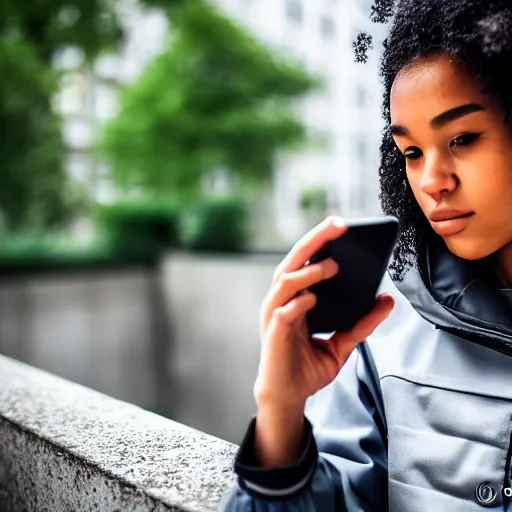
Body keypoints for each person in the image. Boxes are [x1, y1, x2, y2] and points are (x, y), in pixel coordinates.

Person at [219, 0, 512, 510]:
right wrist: (281, 412)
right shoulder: (385, 332)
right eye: (412, 152)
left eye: (462, 138)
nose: (430, 181)